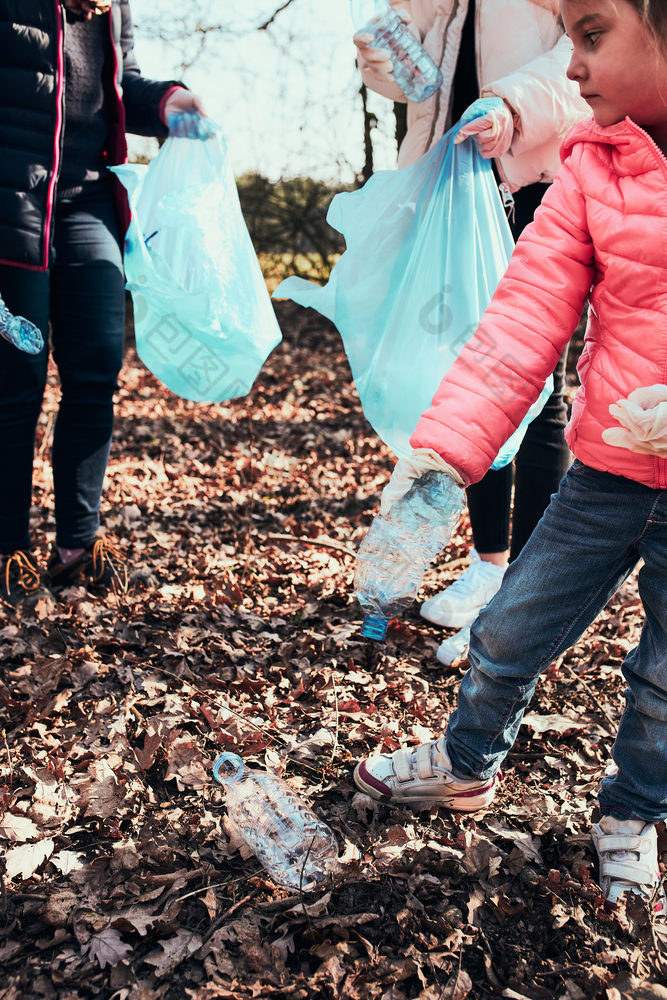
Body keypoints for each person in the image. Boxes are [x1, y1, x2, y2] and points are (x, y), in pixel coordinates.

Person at [353, 0, 667, 915]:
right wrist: (445, 452)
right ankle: (462, 762)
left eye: (594, 32)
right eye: (567, 35)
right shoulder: (588, 169)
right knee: (507, 631)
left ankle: (633, 814)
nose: (569, 65)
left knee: (662, 678)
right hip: (606, 474)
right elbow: (520, 322)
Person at [355, 0, 589, 665]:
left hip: (538, 183)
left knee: (533, 382)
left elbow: (583, 49)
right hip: (452, 198)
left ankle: (523, 589)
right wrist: (381, 49)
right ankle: (487, 563)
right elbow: (418, 85)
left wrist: (511, 108)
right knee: (471, 379)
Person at [0, 0, 206, 606]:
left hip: (88, 200)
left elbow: (118, 87)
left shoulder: (109, 9)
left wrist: (169, 102)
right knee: (17, 379)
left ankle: (76, 549)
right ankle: (8, 548)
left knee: (96, 370)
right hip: (11, 203)